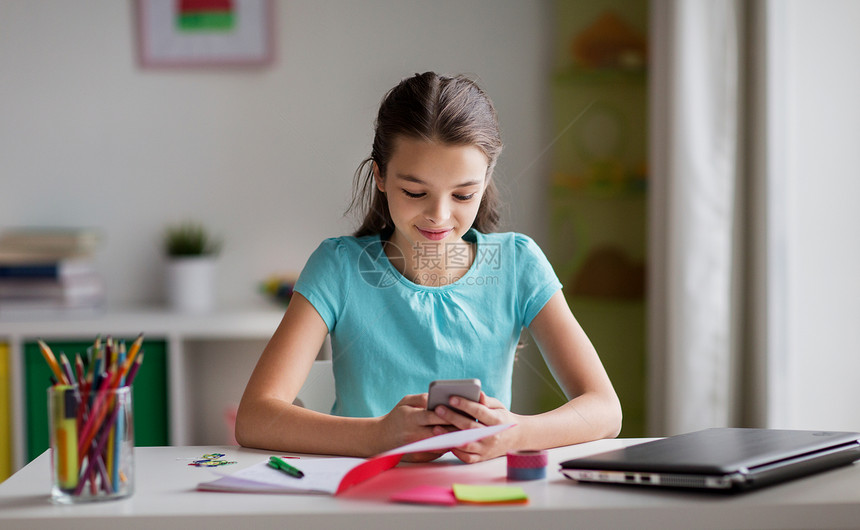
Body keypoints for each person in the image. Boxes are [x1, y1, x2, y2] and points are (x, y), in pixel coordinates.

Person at [235, 72, 621, 463]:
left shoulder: (519, 263)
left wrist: (513, 434)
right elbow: (254, 418)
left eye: (463, 194)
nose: (439, 215)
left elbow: (605, 410)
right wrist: (377, 436)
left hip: (481, 499)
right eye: (415, 192)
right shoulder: (338, 267)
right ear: (380, 176)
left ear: (486, 182)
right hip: (361, 501)